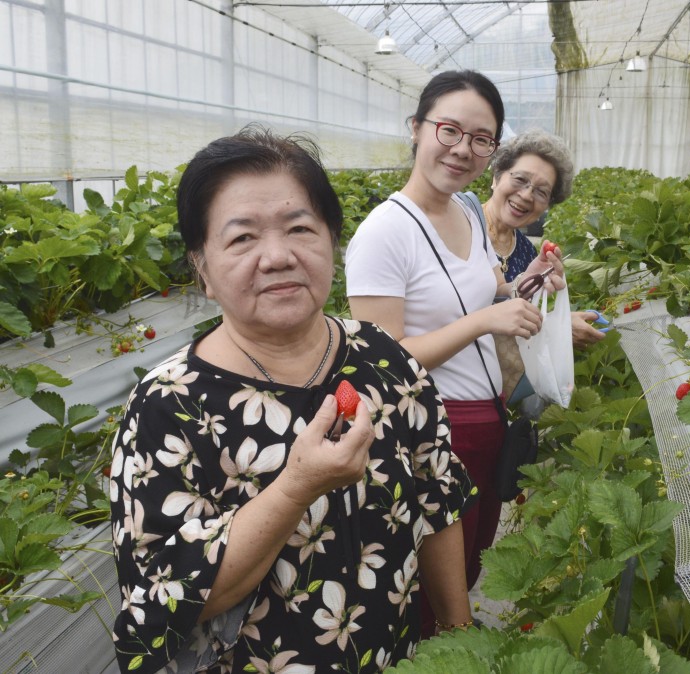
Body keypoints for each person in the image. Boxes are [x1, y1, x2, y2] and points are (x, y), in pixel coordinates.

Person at [109, 126, 477, 673]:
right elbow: (159, 605)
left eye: (300, 228)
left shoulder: (383, 358)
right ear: (203, 270)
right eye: (242, 238)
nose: (277, 256)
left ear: (332, 241)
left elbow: (437, 500)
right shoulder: (168, 407)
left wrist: (461, 638)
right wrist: (297, 487)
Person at [344, 70, 564, 635]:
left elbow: (493, 295)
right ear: (416, 129)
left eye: (481, 137)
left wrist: (531, 282)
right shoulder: (383, 233)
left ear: (491, 149)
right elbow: (382, 363)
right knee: (428, 589)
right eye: (449, 129)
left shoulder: (467, 211)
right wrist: (483, 321)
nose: (463, 148)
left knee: (468, 563)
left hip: (486, 415)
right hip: (433, 430)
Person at [482, 130, 607, 350]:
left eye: (541, 192)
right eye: (520, 179)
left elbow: (516, 324)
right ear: (496, 177)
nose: (527, 195)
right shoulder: (464, 228)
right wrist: (556, 330)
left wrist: (559, 321)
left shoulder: (527, 253)